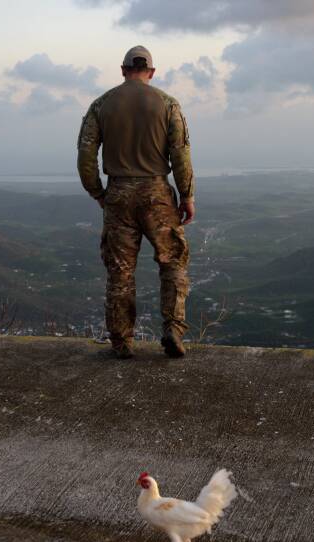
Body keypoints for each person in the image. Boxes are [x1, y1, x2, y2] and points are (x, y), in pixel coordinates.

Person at [77, 45, 196, 360]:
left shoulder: (101, 105)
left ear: (123, 70)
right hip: (157, 194)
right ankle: (173, 328)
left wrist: (98, 193)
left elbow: (86, 155)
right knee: (172, 263)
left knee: (120, 271)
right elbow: (180, 154)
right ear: (152, 72)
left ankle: (121, 341)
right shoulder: (168, 104)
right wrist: (187, 195)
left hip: (118, 194)